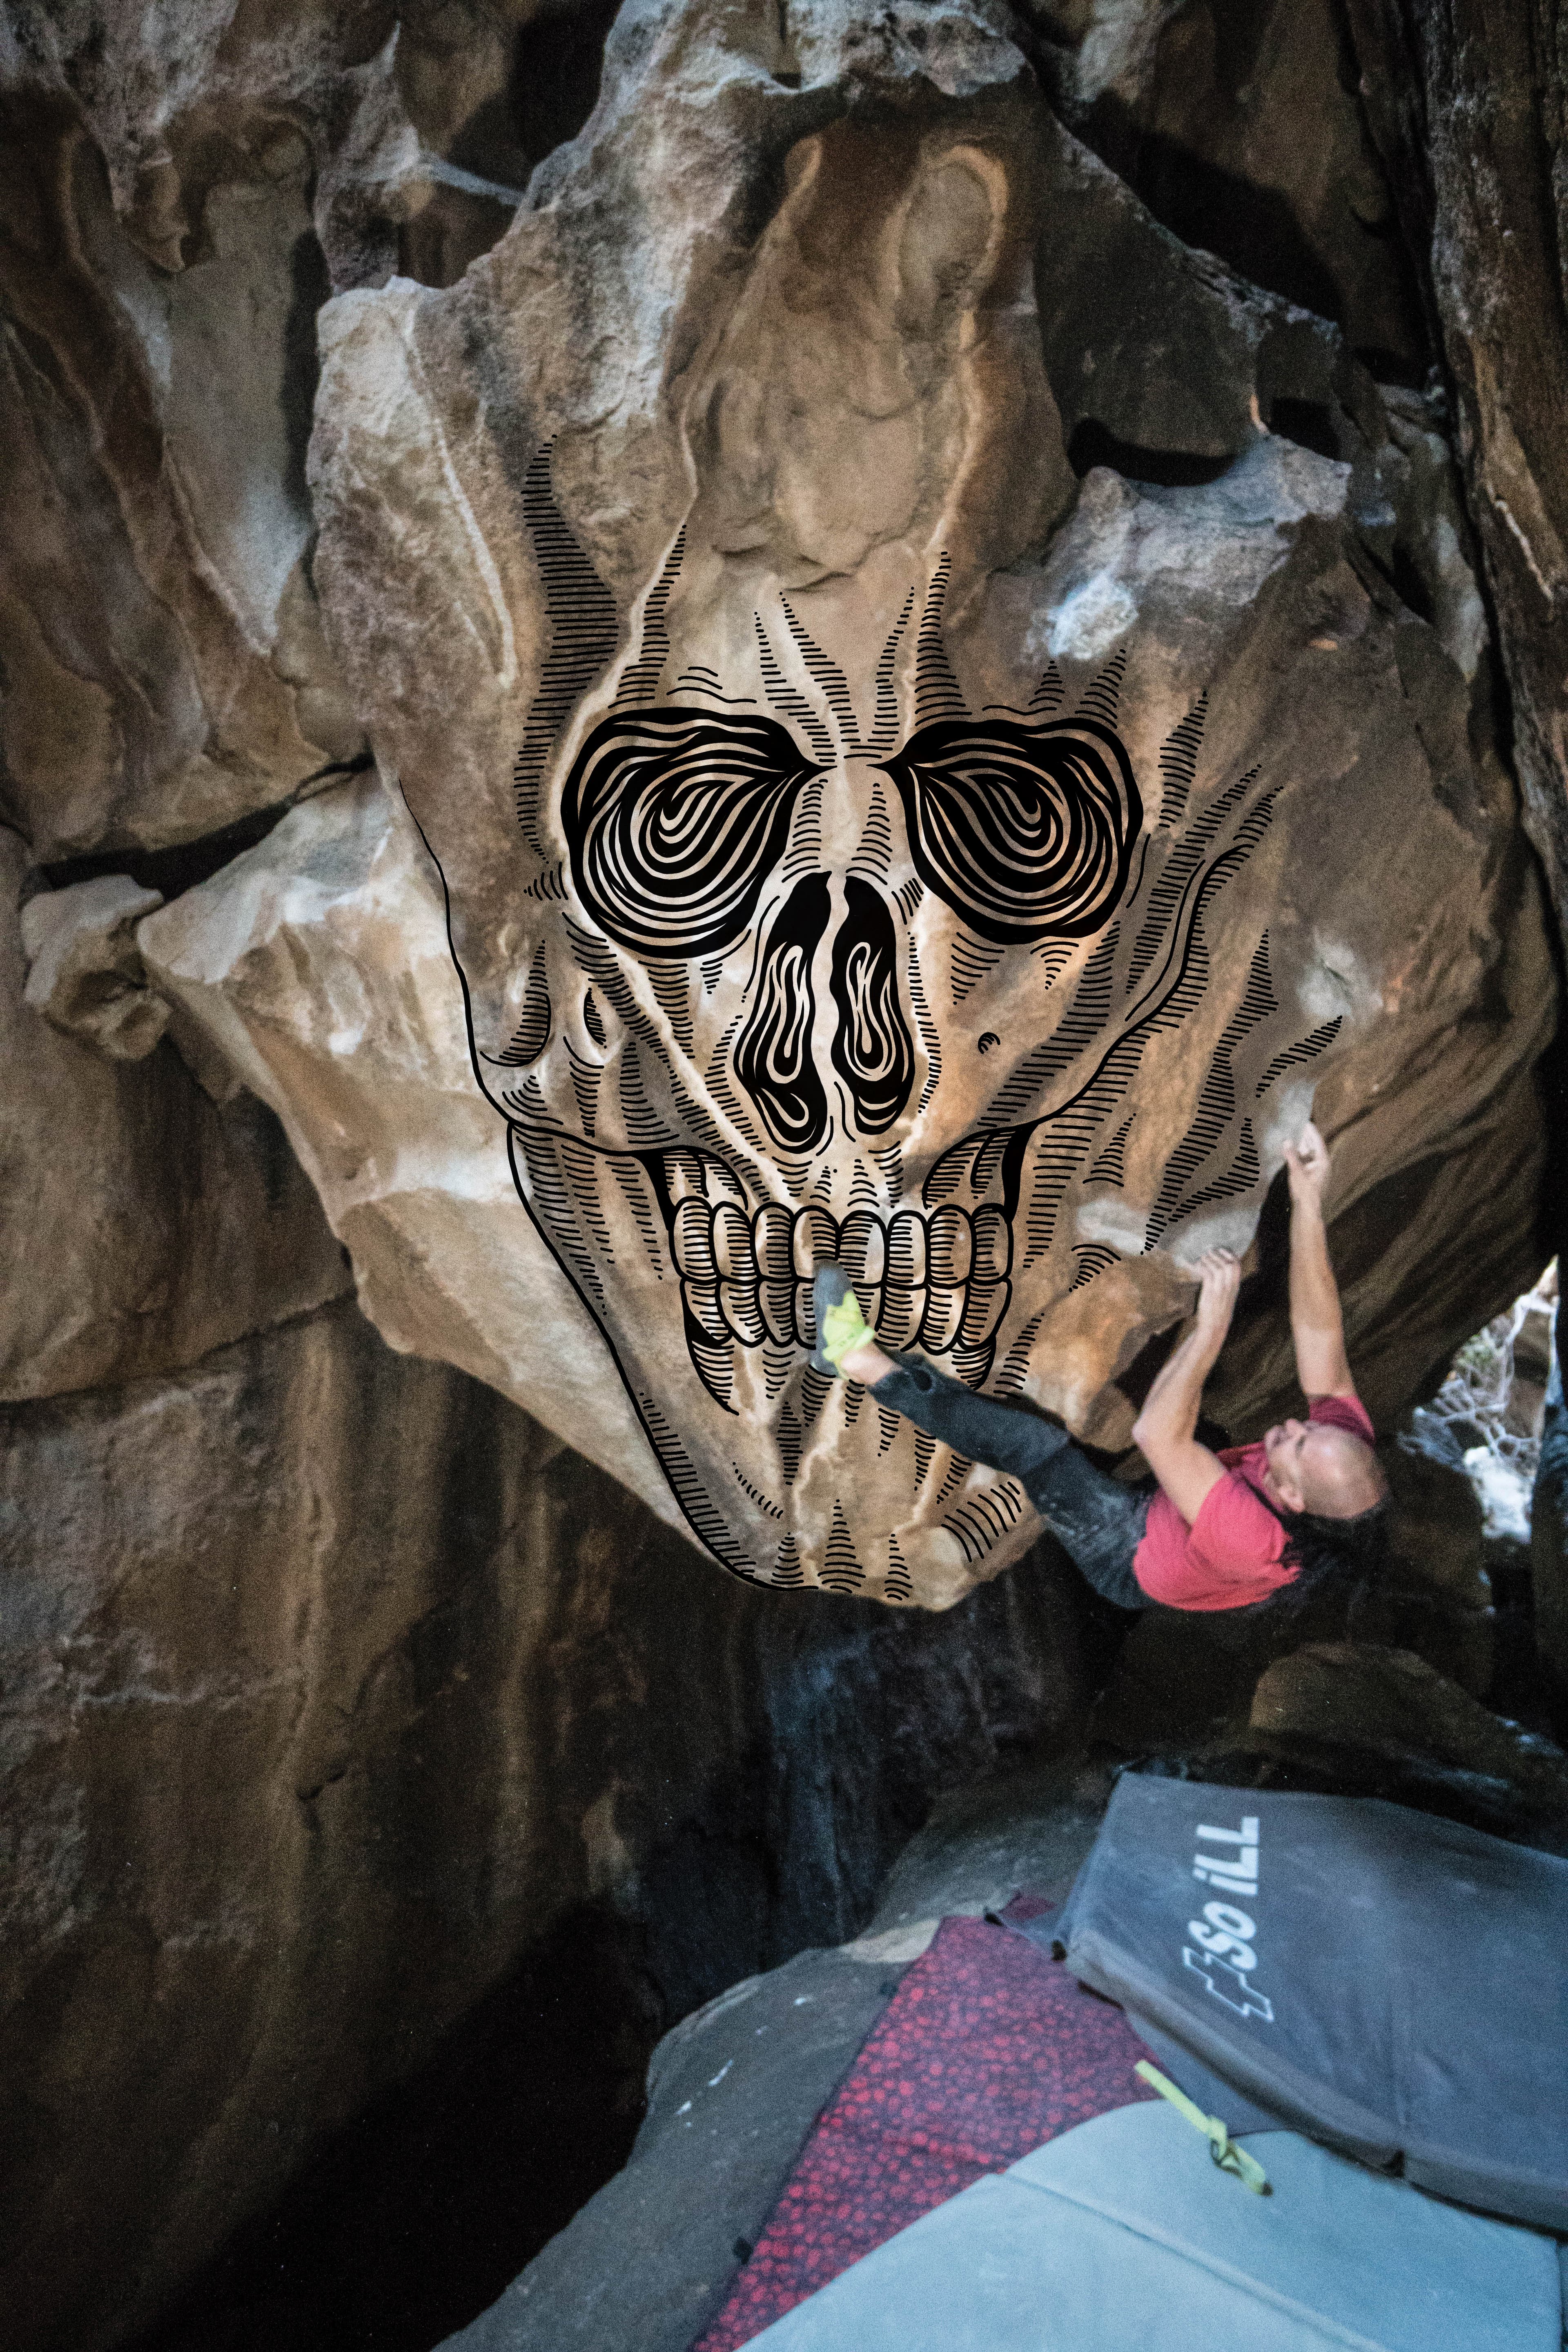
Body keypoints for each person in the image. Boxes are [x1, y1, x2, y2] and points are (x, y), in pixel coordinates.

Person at [814, 1121, 1389, 1617]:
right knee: (1195, 1429)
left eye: (1293, 1443)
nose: (1295, 1425)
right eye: (1311, 1426)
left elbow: (1157, 1434)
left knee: (1038, 1447)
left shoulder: (1252, 1537)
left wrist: (1212, 1325)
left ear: (1289, 1493)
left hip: (1128, 1556)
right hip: (1186, 1528)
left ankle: (856, 1358)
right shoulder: (1343, 1452)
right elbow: (1321, 1331)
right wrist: (1309, 1200)